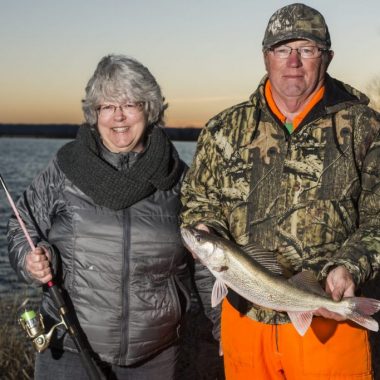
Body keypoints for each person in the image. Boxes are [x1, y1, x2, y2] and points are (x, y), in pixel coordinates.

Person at [180, 3, 380, 379]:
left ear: (327, 57)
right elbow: (197, 202)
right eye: (282, 49)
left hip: (329, 324)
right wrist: (205, 228)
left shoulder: (365, 127)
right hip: (245, 321)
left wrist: (350, 266)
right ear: (265, 57)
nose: (293, 61)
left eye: (306, 49)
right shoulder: (224, 129)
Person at [8, 54, 191, 379]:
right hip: (69, 351)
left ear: (149, 110)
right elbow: (22, 225)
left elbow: (208, 266)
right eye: (107, 106)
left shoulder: (178, 179)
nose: (118, 116)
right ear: (95, 113)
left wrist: (218, 332)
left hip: (156, 357)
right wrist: (30, 260)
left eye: (130, 104)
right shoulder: (65, 168)